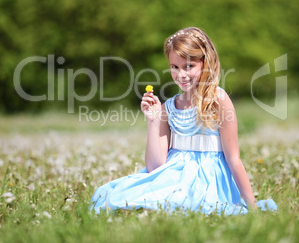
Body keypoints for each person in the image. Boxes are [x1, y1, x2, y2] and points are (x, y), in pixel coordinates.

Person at [90, 27, 277, 215]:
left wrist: (252, 205)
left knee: (185, 206)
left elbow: (234, 159)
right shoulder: (169, 107)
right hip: (174, 176)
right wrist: (154, 122)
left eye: (189, 66)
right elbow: (155, 167)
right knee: (116, 198)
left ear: (205, 63)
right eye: (175, 67)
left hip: (209, 180)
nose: (181, 75)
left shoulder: (218, 100)